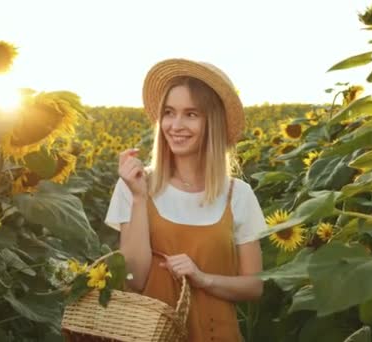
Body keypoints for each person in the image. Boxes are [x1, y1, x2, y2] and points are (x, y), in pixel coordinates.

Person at [105, 59, 266, 341]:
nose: (175, 125)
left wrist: (203, 278)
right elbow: (132, 280)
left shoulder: (237, 194)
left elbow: (254, 286)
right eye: (169, 112)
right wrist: (140, 199)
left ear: (212, 122)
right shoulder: (134, 185)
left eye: (191, 114)